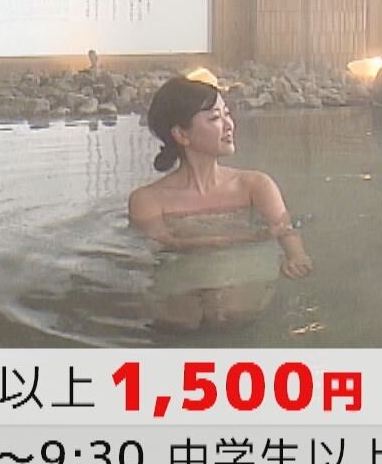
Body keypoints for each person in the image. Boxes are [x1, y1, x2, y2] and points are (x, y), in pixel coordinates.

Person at [129, 76, 311, 329]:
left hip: (239, 273)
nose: (229, 125)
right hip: (182, 279)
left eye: (227, 114)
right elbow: (163, 245)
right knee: (180, 320)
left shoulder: (255, 185)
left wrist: (297, 256)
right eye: (215, 118)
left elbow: (285, 228)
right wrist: (245, 238)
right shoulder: (147, 200)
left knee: (231, 313)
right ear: (182, 134)